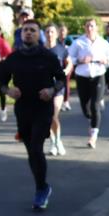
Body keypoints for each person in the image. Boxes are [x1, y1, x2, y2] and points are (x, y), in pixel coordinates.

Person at [0, 20, 65, 210]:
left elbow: (61, 79)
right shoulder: (13, 58)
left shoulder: (48, 56)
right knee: (31, 151)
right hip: (23, 108)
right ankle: (42, 185)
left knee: (36, 147)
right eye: (25, 30)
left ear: (38, 34)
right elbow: (1, 82)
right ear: (21, 34)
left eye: (32, 30)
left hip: (43, 107)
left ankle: (41, 190)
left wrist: (52, 90)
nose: (28, 33)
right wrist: (8, 91)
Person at [67, 19, 109, 148]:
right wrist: (80, 60)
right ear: (84, 28)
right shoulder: (78, 42)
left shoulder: (103, 42)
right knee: (85, 106)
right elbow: (69, 57)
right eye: (88, 26)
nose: (90, 28)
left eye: (92, 26)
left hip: (98, 74)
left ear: (96, 28)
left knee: (94, 105)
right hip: (82, 75)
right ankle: (91, 118)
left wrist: (106, 60)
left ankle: (93, 136)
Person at [44, 24, 69, 155]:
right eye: (47, 32)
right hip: (43, 86)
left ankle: (58, 141)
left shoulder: (61, 49)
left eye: (52, 32)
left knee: (54, 114)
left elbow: (69, 62)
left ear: (57, 34)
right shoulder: (40, 50)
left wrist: (66, 70)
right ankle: (53, 143)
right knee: (47, 117)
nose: (50, 34)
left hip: (57, 86)